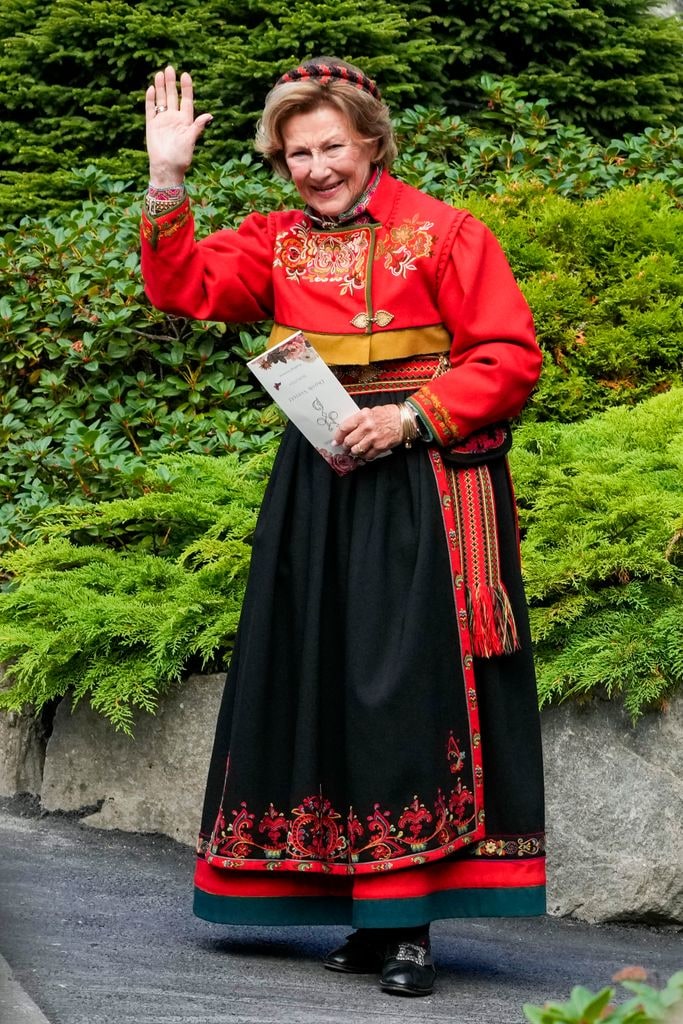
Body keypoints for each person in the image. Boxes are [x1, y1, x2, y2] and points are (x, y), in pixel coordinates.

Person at [141, 57, 545, 998]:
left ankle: (407, 927)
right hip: (315, 488)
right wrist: (168, 179)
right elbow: (183, 287)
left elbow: (510, 355)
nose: (315, 168)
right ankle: (365, 916)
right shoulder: (272, 241)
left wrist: (408, 417)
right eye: (295, 154)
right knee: (319, 680)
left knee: (404, 695)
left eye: (330, 146)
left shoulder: (447, 232)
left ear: (370, 139)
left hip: (424, 489)